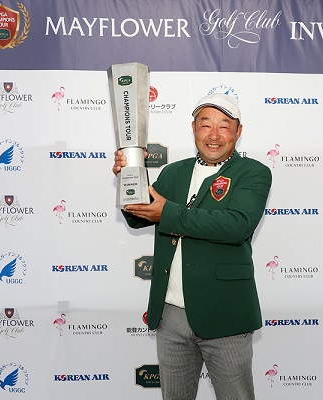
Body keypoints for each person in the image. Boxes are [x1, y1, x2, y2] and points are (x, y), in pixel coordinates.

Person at [113, 93, 272, 400]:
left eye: (224, 126)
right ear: (194, 128)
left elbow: (236, 226)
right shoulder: (174, 172)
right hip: (171, 315)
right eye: (205, 124)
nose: (214, 135)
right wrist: (129, 176)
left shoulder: (253, 172)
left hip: (225, 313)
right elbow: (137, 217)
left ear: (238, 131)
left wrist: (168, 213)